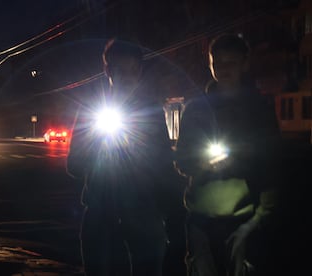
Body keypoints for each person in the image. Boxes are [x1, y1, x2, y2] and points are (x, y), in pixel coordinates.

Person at [66, 38, 182, 276]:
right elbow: (74, 165)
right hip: (101, 210)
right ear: (107, 70)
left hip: (143, 210)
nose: (126, 76)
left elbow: (163, 165)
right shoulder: (92, 110)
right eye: (118, 69)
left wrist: (173, 212)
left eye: (132, 70)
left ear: (139, 71)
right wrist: (97, 144)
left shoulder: (150, 111)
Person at [174, 33, 281, 276]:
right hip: (201, 217)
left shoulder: (259, 109)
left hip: (245, 217)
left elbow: (271, 159)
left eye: (230, 62)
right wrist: (200, 163)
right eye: (217, 62)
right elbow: (182, 159)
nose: (223, 68)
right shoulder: (196, 108)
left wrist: (239, 163)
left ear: (245, 63)